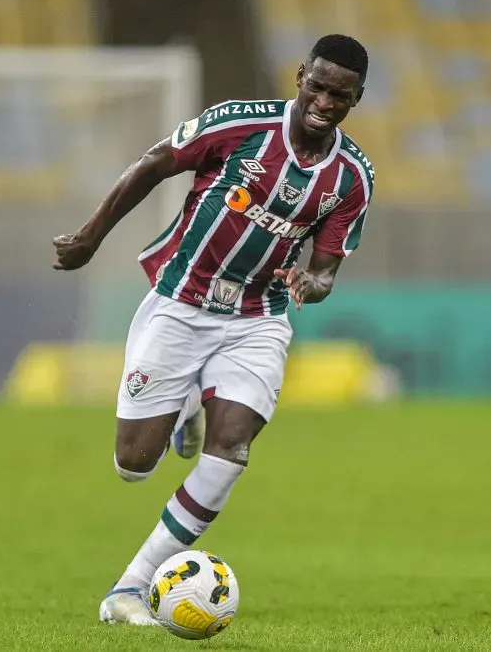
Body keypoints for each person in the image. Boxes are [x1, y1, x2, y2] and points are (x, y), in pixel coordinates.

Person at [51, 34, 375, 625]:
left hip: (258, 318)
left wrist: (312, 283)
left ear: (356, 100)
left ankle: (129, 588)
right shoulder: (238, 125)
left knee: (233, 450)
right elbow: (154, 164)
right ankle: (186, 411)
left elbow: (327, 268)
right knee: (133, 465)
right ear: (300, 75)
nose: (324, 102)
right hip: (180, 301)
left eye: (340, 96)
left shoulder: (351, 178)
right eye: (318, 86)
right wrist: (91, 237)